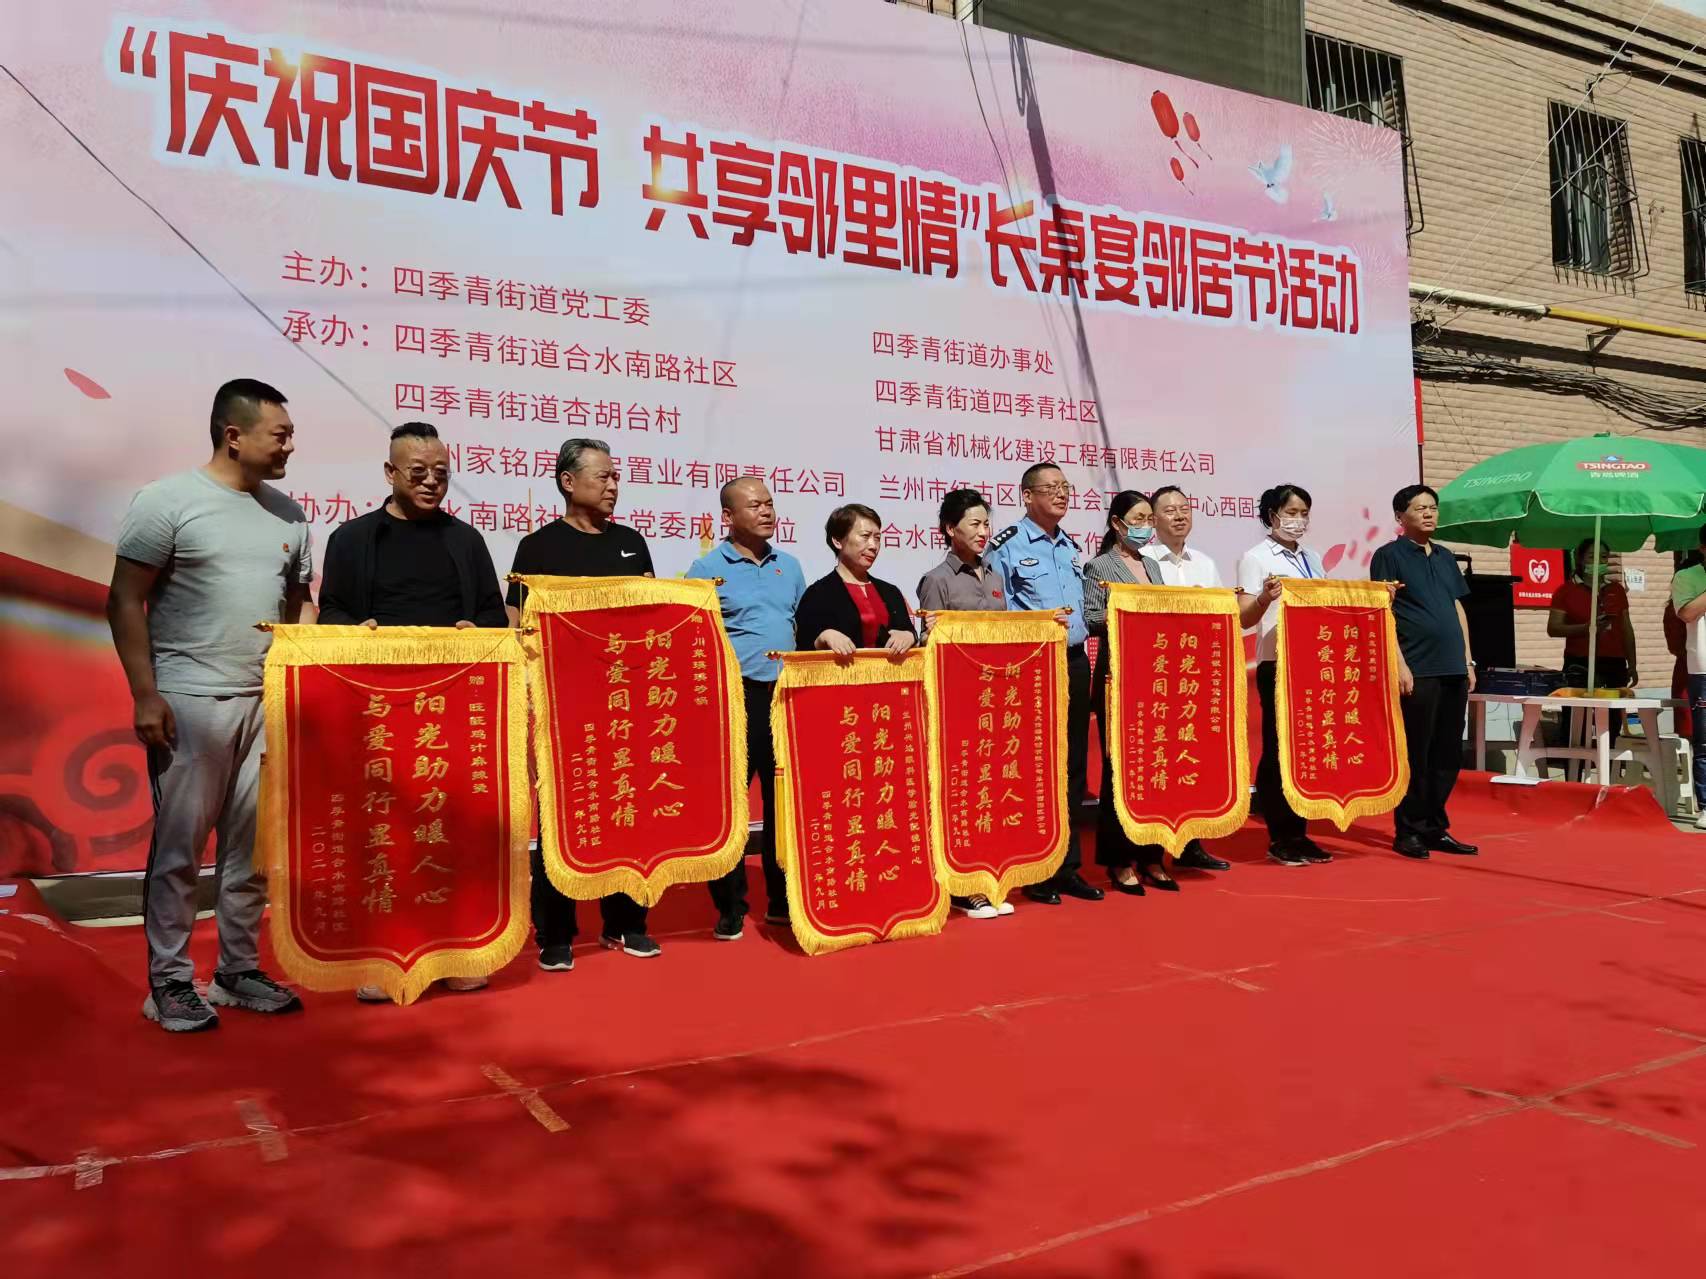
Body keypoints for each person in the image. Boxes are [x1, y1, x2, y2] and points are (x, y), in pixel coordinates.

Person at [107, 378, 311, 1032]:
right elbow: (124, 598)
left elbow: (296, 606)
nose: (289, 446)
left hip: (265, 704)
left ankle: (236, 969)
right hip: (190, 701)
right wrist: (146, 693)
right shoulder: (167, 502)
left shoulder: (290, 515)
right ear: (234, 435)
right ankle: (169, 980)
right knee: (179, 848)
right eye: (279, 434)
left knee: (251, 851)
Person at [317, 421, 509, 1001]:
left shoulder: (465, 541)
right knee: (384, 835)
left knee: (452, 832)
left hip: (450, 709)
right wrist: (361, 632)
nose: (431, 483)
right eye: (418, 472)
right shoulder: (353, 539)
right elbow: (332, 614)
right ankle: (383, 957)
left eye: (441, 474)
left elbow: (494, 616)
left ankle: (458, 951)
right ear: (390, 473)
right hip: (378, 711)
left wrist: (477, 629)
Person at [507, 438, 660, 968]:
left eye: (616, 476)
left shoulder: (631, 542)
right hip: (562, 703)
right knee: (560, 815)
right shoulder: (538, 547)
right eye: (603, 476)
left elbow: (650, 614)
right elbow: (516, 622)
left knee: (627, 811)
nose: (614, 485)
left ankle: (626, 923)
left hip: (625, 700)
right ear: (568, 482)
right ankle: (556, 933)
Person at [686, 477, 807, 936]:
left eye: (769, 503)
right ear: (729, 516)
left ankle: (781, 899)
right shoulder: (706, 570)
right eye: (754, 505)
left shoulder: (789, 566)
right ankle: (730, 907)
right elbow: (695, 639)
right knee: (733, 804)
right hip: (736, 699)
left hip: (784, 698)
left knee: (783, 802)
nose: (766, 511)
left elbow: (800, 624)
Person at [985, 462, 1105, 906]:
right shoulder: (1006, 546)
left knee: (1073, 766)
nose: (1061, 494)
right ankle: (1035, 868)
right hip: (1031, 664)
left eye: (1065, 487)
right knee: (1036, 766)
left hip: (1074, 661)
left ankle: (1067, 866)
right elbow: (995, 610)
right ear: (1026, 496)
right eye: (1050, 487)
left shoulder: (1069, 546)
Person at [917, 488, 1013, 921]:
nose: (982, 531)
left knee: (988, 792)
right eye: (973, 524)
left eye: (986, 523)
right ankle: (959, 884)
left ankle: (985, 872)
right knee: (957, 792)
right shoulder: (936, 580)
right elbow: (928, 643)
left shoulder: (995, 576)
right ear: (950, 529)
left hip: (994, 701)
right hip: (955, 702)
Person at [1370, 484, 1478, 859]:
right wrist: (1399, 663)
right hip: (1417, 668)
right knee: (1417, 751)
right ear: (1400, 517)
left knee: (1447, 752)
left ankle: (1434, 827)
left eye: (1433, 507)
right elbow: (1382, 611)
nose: (1429, 513)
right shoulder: (1389, 556)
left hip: (1453, 667)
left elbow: (1457, 607)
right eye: (1420, 508)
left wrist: (1468, 660)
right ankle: (1409, 830)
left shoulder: (1445, 556)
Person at [1082, 491, 1176, 895]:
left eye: (1149, 520)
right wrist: (1129, 613)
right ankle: (1119, 859)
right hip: (1117, 677)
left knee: (1154, 766)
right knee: (1119, 768)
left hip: (1153, 676)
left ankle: (1152, 856)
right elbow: (1090, 617)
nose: (1146, 527)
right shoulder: (1099, 565)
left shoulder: (1152, 565)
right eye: (1138, 519)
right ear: (1117, 523)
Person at [1236, 484, 1334, 867]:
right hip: (1277, 664)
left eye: (1304, 512)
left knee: (1305, 751)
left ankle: (1300, 833)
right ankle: (1280, 836)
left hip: (1312, 665)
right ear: (1272, 515)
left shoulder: (1313, 558)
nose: (1299, 520)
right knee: (1279, 749)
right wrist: (1264, 597)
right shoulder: (1256, 557)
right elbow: (1244, 617)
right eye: (1291, 512)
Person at [1138, 485, 1233, 874]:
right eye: (1169, 510)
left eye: (1185, 508)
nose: (1179, 516)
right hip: (1157, 675)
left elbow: (1222, 616)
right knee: (1158, 761)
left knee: (1193, 757)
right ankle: (1151, 849)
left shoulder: (1205, 563)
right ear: (1153, 519)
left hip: (1196, 675)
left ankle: (1191, 844)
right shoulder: (1142, 560)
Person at [796, 503, 917, 657]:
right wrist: (823, 638)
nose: (873, 546)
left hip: (890, 672)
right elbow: (802, 648)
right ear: (838, 541)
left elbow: (908, 630)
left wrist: (910, 635)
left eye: (877, 538)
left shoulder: (890, 592)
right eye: (865, 536)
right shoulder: (818, 594)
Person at [1548, 538, 1638, 693]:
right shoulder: (1565, 591)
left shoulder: (1616, 590)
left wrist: (1632, 664)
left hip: (1614, 662)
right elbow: (1553, 628)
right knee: (1578, 706)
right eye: (1592, 557)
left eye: (1603, 557)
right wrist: (1585, 628)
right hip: (1580, 661)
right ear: (1580, 559)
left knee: (1613, 707)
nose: (1599, 561)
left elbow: (1626, 629)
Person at [1670, 528, 1706, 828]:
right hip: (1703, 668)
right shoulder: (1687, 577)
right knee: (1704, 742)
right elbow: (1687, 613)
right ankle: (1705, 806)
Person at [1665, 550, 1701, 741]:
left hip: (1689, 669)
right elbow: (1675, 645)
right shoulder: (1675, 610)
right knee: (1691, 731)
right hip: (1689, 671)